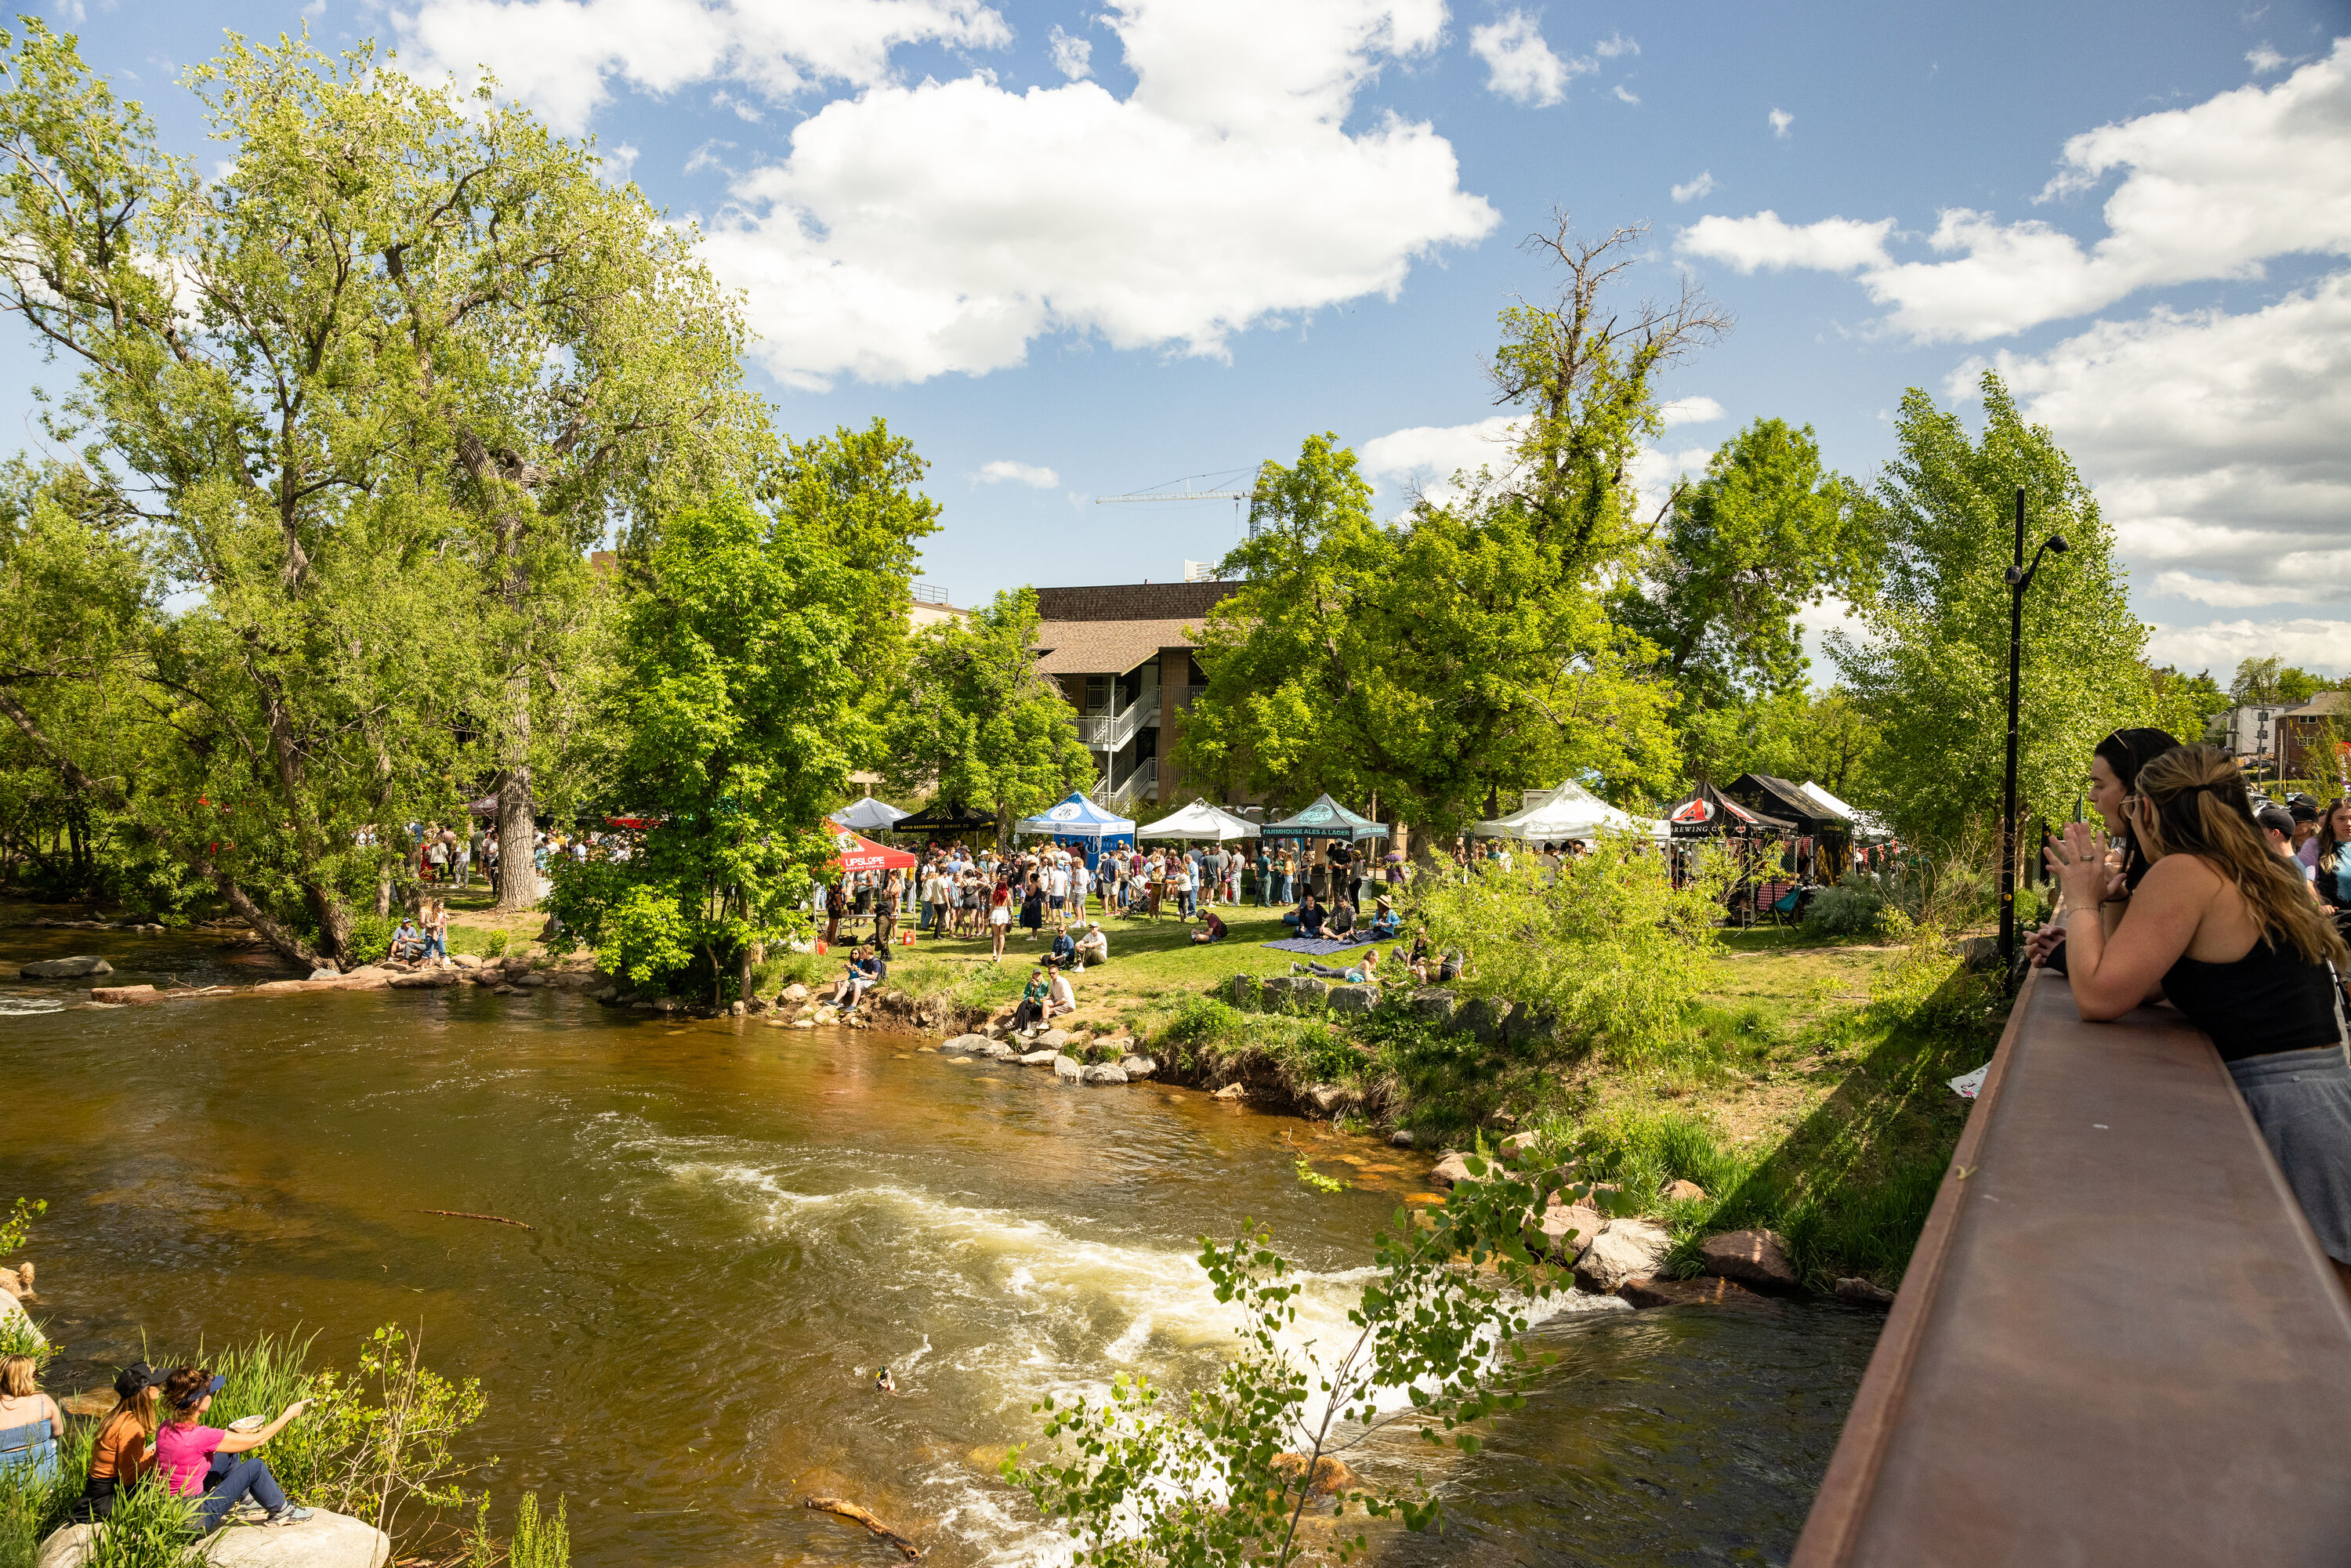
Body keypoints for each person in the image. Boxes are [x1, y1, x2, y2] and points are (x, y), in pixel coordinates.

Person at [2046, 745, 2351, 1284]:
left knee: (2316, 1305)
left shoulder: (2184, 872)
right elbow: (2141, 986)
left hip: (2284, 1112)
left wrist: (2081, 899)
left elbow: (2098, 996)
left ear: (2147, 809)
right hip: (2319, 1102)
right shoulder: (2250, 867)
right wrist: (2112, 900)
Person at [2027, 727, 2183, 972]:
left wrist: (2081, 903)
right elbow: (2132, 955)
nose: (2091, 796)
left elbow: (2123, 983)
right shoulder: (2167, 861)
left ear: (2138, 793)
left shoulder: (2179, 871)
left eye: (2099, 785)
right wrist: (2084, 941)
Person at [154, 1367, 313, 1530]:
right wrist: (288, 1414)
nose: (212, 1397)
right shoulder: (201, 1436)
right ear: (196, 1402)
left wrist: (233, 1433)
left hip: (169, 1511)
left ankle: (247, 1502)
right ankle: (284, 1511)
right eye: (210, 1394)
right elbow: (259, 1440)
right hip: (194, 1521)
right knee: (256, 1466)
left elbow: (196, 1448)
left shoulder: (166, 1426)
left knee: (228, 1455)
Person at [0, 1355, 62, 1486]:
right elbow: (58, 1432)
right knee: (52, 1443)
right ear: (25, 1377)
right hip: (45, 1484)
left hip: (4, 1487)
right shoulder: (43, 1401)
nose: (36, 1377)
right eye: (35, 1374)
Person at [2314, 800, 2351, 941]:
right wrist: (2317, 905)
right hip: (2336, 927)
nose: (2348, 824)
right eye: (2341, 819)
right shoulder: (2316, 848)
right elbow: (2305, 883)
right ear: (2330, 821)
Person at [829, 943, 885, 1017]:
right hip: (865, 978)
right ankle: (836, 1001)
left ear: (867, 952)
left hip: (873, 981)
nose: (861, 954)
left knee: (857, 984)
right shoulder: (866, 961)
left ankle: (853, 1005)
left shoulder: (876, 962)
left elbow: (874, 977)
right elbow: (863, 972)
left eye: (862, 952)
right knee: (846, 982)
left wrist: (862, 973)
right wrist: (856, 969)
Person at [1012, 968, 1051, 1032]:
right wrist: (1029, 999)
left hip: (1040, 1006)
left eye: (1039, 974)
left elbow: (1043, 995)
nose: (1037, 975)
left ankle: (1014, 1019)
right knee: (1026, 1009)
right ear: (1033, 975)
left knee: (1025, 1003)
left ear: (1041, 975)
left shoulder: (1045, 984)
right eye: (1036, 974)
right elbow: (1025, 996)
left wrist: (1038, 986)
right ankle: (1021, 1029)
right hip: (1031, 1005)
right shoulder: (1029, 984)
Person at [989, 878, 1013, 961]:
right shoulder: (1007, 894)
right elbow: (1011, 904)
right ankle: (999, 956)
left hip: (995, 913)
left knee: (995, 935)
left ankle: (994, 951)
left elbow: (992, 907)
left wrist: (988, 917)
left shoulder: (995, 894)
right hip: (1003, 913)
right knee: (1002, 936)